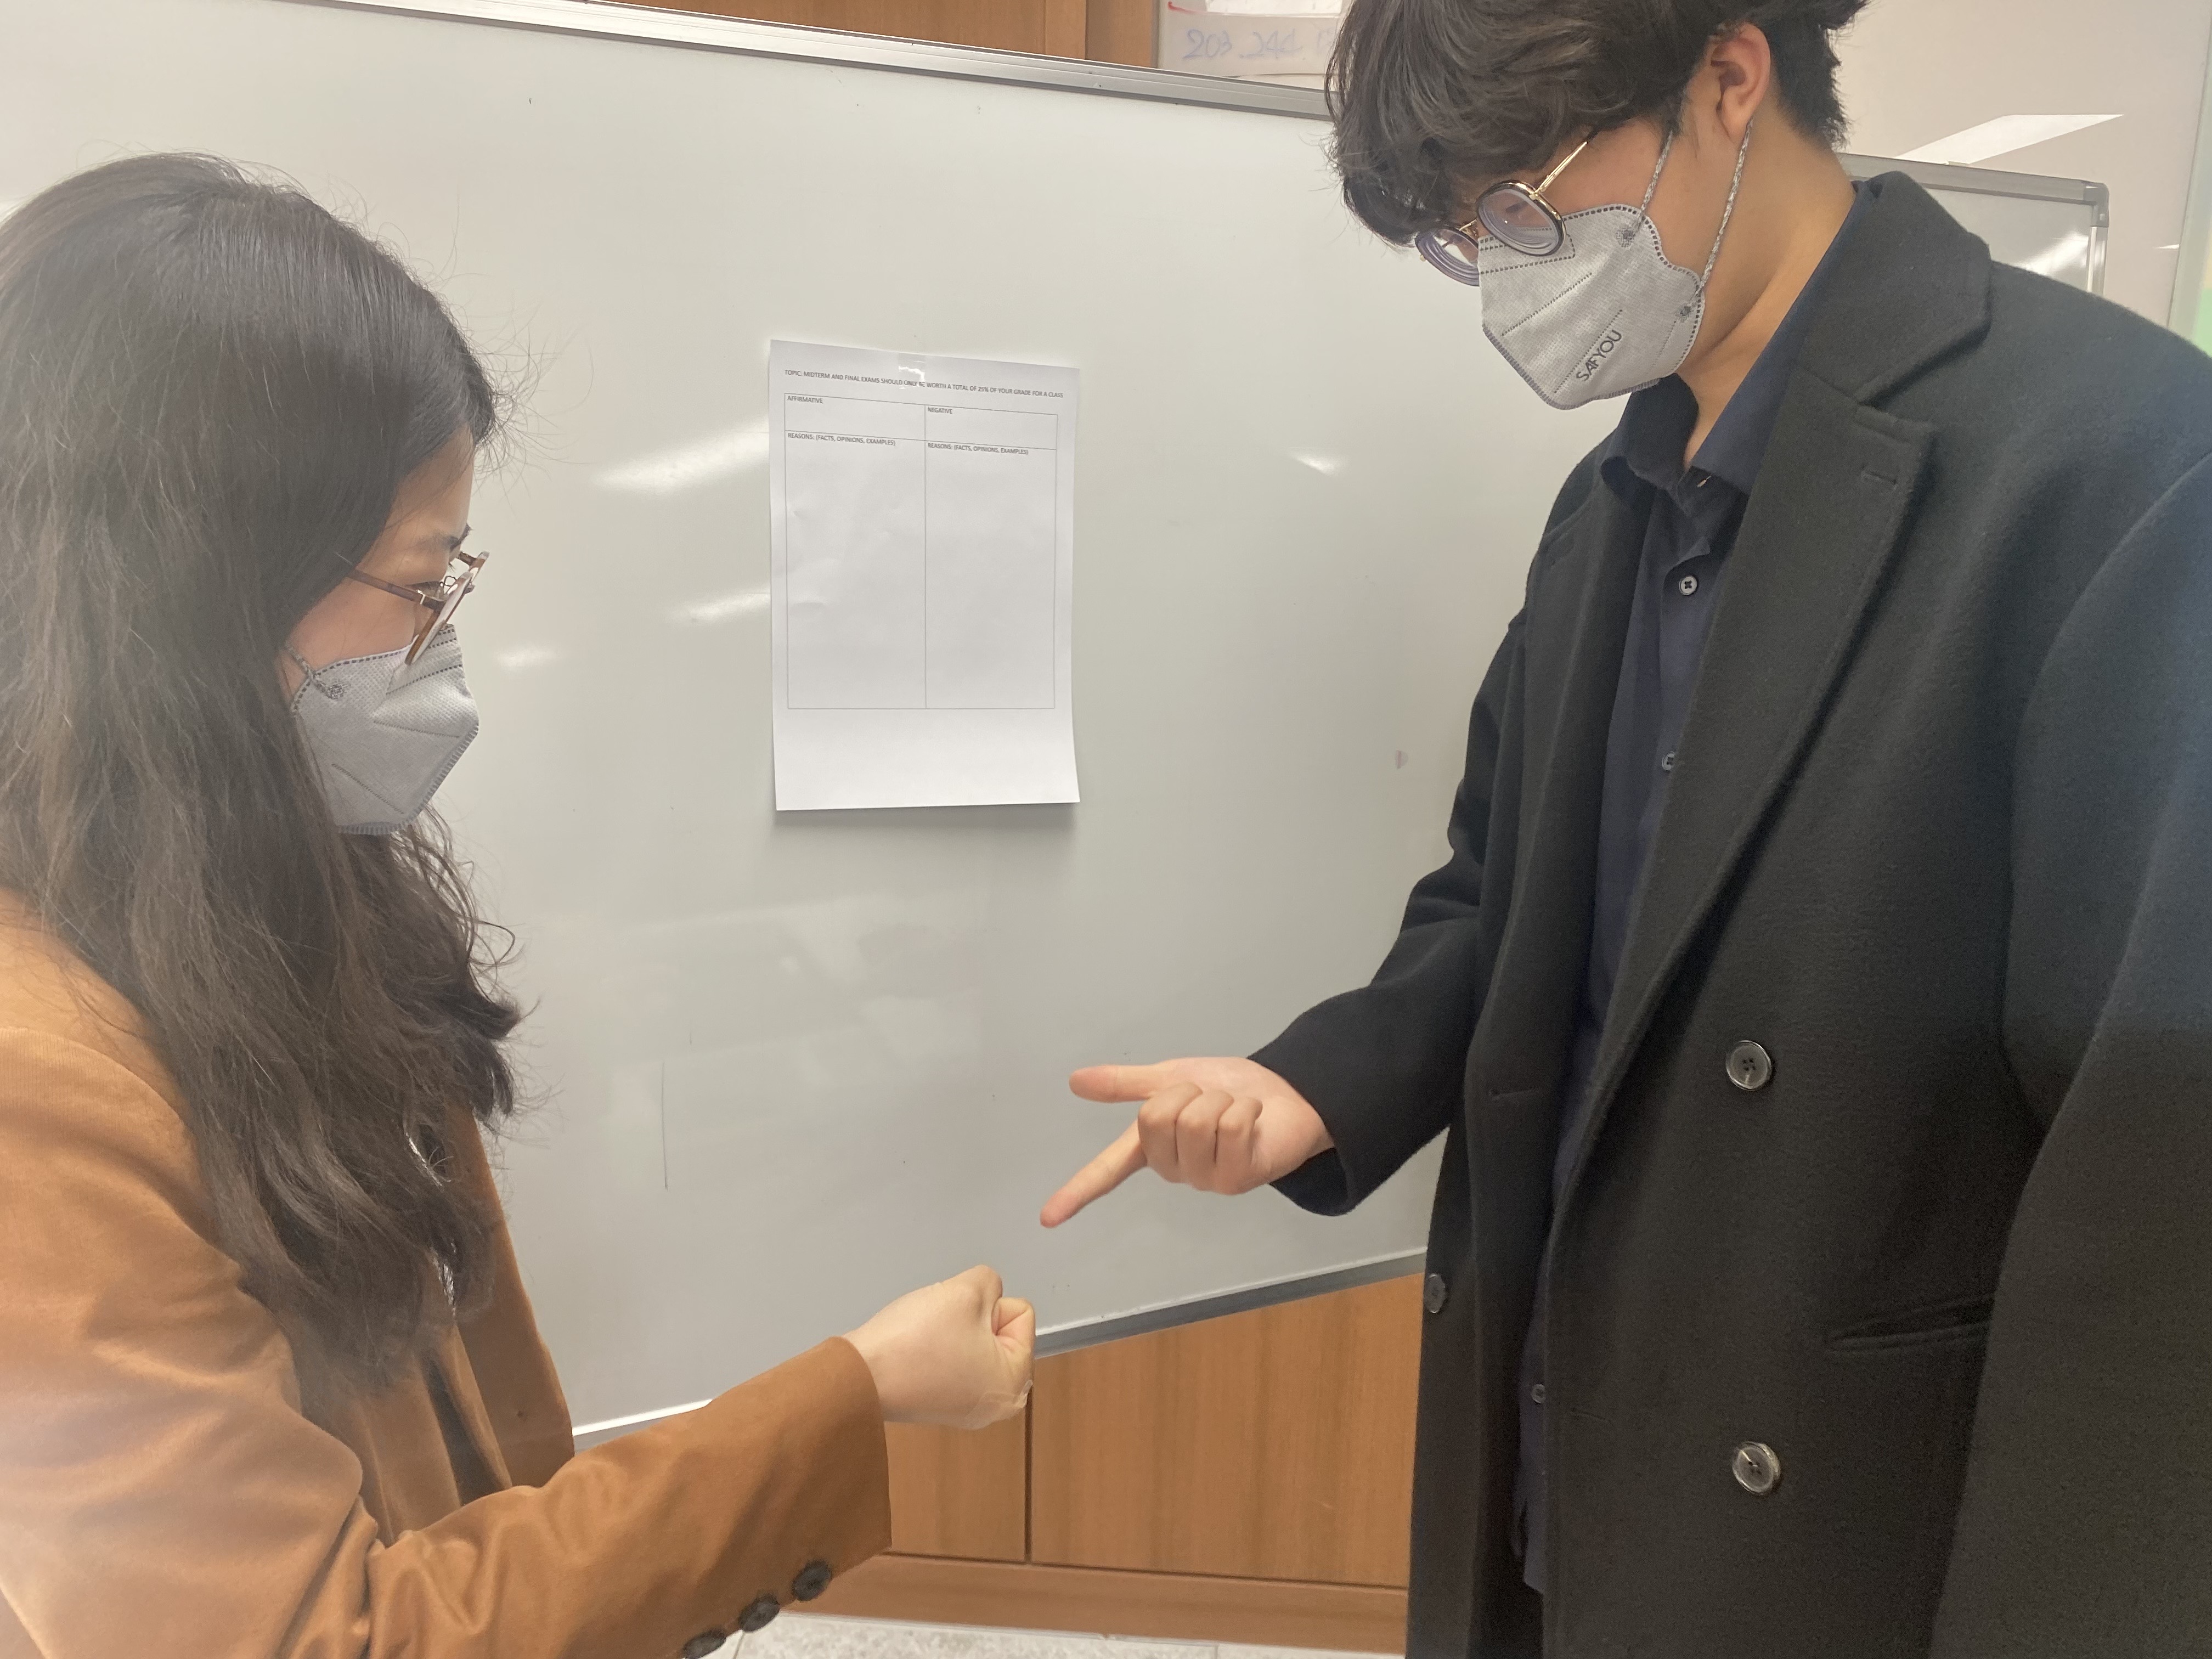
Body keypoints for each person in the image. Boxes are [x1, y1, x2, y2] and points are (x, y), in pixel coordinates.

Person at [1045, 3, 2212, 1656]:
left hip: (1848, 1518)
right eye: (1463, 240)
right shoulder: (1612, 505)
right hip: (1569, 1437)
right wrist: (1322, 1083)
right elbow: (1507, 901)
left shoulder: (2121, 463)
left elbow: (2162, 1171)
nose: (1505, 276)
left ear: (1727, 81)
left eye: (1523, 208)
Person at [0, 154, 1035, 1658]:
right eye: (423, 581)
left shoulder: (251, 908)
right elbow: (320, 1639)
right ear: (201, 588)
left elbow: (473, 1470)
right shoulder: (39, 1090)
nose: (439, 645)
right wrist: (852, 1397)